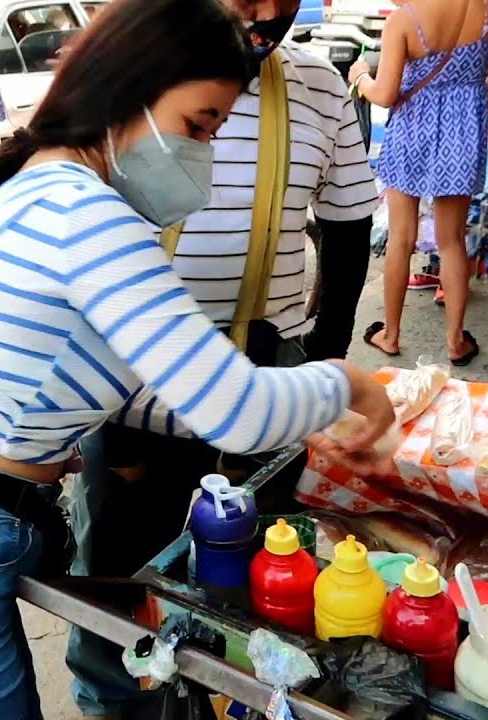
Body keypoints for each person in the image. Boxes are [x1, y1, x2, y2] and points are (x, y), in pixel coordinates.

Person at [0, 0, 395, 717]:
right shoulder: (87, 213)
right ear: (133, 86)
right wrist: (348, 383)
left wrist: (288, 413)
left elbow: (131, 395)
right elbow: (237, 412)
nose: (202, 155)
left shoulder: (44, 185)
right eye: (198, 125)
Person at [64, 0, 380, 715]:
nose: (267, 9)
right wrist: (108, 425)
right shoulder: (128, 79)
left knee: (254, 584)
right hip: (131, 390)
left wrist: (325, 358)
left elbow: (349, 222)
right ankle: (116, 705)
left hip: (267, 380)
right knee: (118, 582)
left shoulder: (320, 87)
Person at [352, 0, 488, 366]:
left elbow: (386, 93)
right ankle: (455, 341)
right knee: (451, 240)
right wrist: (465, 117)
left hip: (410, 129)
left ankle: (390, 335)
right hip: (463, 131)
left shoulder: (403, 21)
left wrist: (360, 77)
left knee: (401, 237)